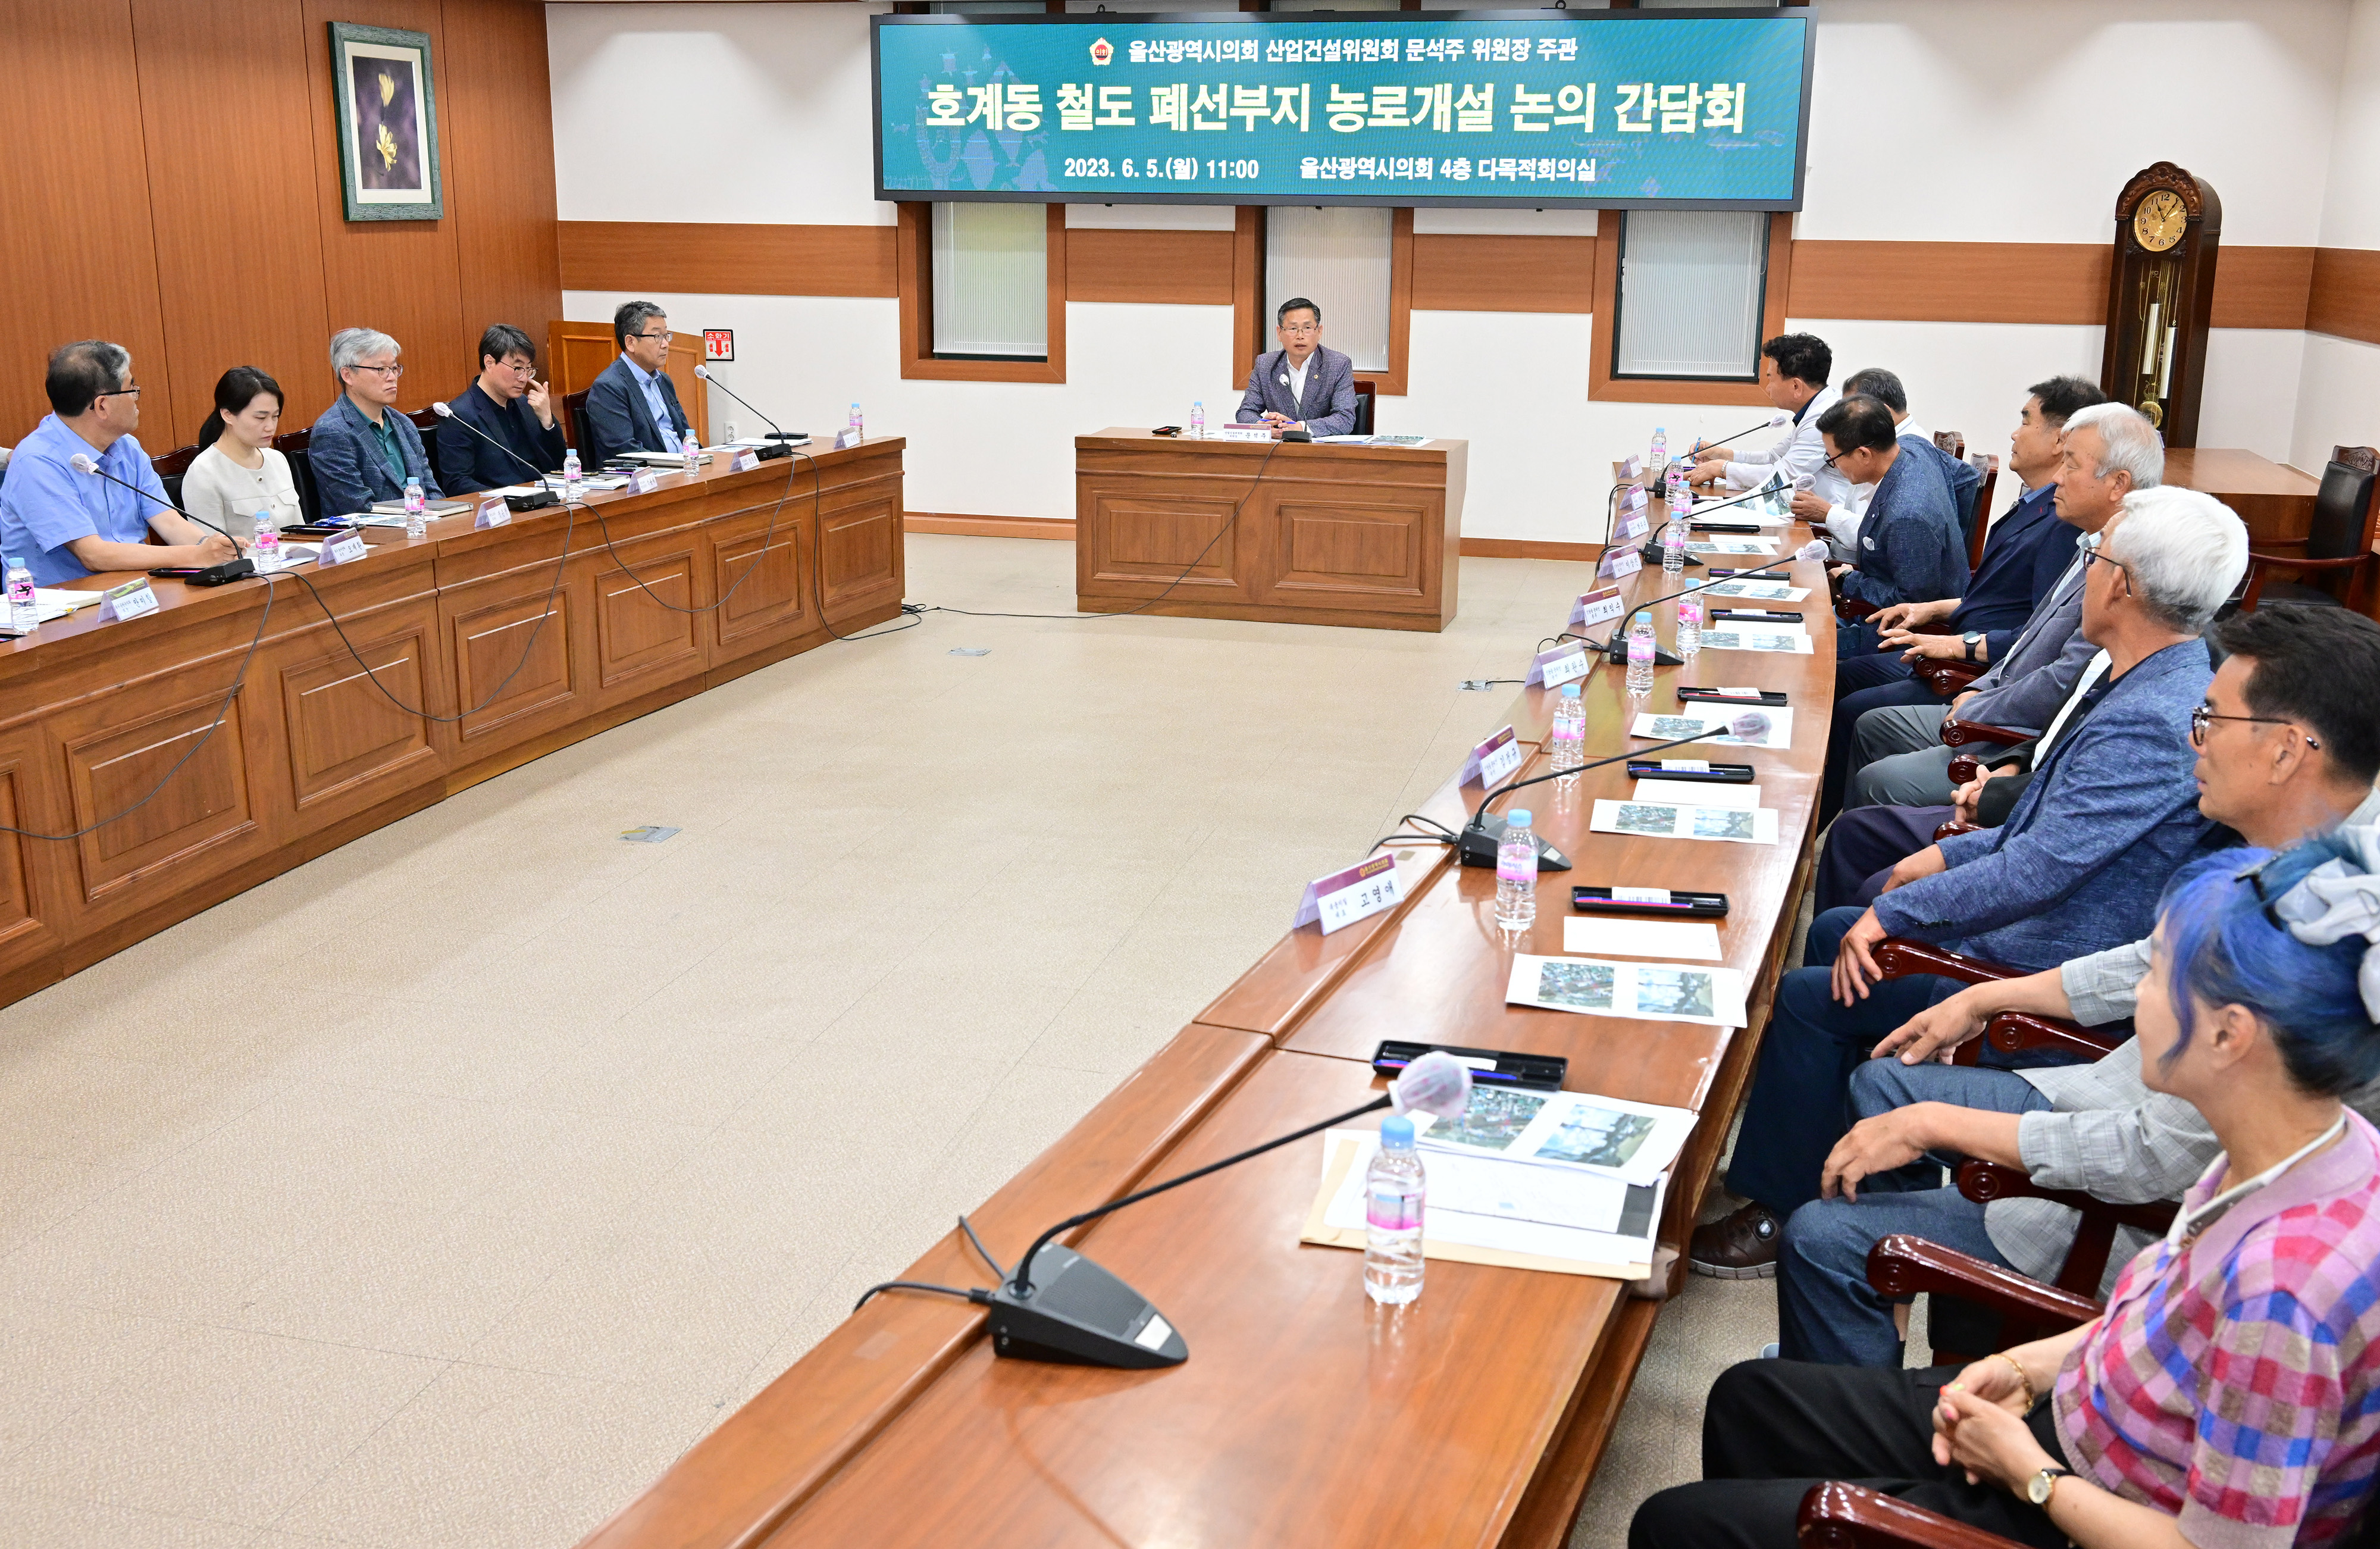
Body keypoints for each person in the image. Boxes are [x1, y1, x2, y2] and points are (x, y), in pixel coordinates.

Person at [1635, 830, 2380, 1549]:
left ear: (2231, 1035)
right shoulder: (2303, 1146)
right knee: (1751, 1400)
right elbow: (2157, 1324)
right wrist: (2027, 1366)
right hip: (2083, 1418)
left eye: (2157, 976)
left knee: (1673, 1523)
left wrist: (2029, 1472)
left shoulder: (2284, 1292)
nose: (2138, 997)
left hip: (2077, 1499)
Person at [1779, 606, 2380, 1367]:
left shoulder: (2332, 927)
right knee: (1889, 1082)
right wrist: (1985, 997)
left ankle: (1884, 1424)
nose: (2193, 738)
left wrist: (1940, 1123)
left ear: (2287, 751)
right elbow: (2144, 960)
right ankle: (1916, 1347)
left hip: (2136, 1223)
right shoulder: (2307, 849)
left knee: (1824, 1234)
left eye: (2212, 718)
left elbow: (2149, 1155)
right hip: (2118, 1101)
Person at [1692, 488, 2247, 1277]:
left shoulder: (2153, 714)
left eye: (2094, 560)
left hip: (2040, 960)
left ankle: (1791, 1206)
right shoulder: (2150, 672)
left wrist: (1899, 907)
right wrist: (1940, 861)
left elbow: (2042, 871)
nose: (2084, 573)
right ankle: (1853, 1161)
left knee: (1815, 996)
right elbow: (2040, 833)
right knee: (1832, 932)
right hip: (2047, 923)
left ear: (2122, 584)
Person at [1847, 403, 2161, 813]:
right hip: (1991, 688)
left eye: (2071, 465)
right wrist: (1979, 686)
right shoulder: (2090, 539)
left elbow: (2065, 678)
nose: (2059, 478)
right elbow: (2031, 637)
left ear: (2118, 484)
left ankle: (1873, 849)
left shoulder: (2119, 564)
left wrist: (1977, 696)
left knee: (1877, 776)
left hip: (2015, 734)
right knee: (1870, 725)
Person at [0, 340, 237, 584]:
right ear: (103, 406)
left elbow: (169, 521)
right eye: (131, 388)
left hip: (133, 591)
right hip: (62, 607)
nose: (137, 397)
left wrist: (214, 549)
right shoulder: (37, 461)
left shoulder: (128, 448)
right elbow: (93, 555)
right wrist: (195, 555)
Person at [1820, 395, 1967, 664]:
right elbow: (1967, 477)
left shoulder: (1907, 516)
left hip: (1893, 635)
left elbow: (1911, 603)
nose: (1833, 465)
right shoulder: (1914, 446)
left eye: (1833, 458)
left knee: (1810, 649)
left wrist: (1847, 579)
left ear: (1864, 454)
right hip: (1875, 603)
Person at [1796, 367, 1959, 559]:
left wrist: (1828, 514)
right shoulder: (1889, 444)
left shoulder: (1904, 453)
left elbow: (1877, 535)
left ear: (1879, 411)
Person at [1686, 333, 1850, 517]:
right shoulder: (1816, 408)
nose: (1768, 387)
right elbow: (1774, 458)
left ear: (1796, 387)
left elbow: (1785, 476)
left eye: (1771, 379)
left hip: (1823, 527)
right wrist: (1723, 455)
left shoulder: (1824, 419)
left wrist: (1722, 468)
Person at [308, 327, 442, 518]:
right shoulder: (332, 432)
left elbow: (430, 488)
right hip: (372, 540)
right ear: (348, 375)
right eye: (381, 369)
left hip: (422, 529)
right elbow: (360, 508)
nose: (392, 377)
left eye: (394, 368)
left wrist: (443, 518)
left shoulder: (404, 424)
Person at [439, 324, 566, 494]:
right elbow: (457, 483)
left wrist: (547, 421)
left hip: (546, 499)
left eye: (529, 370)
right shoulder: (459, 416)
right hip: (502, 510)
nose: (524, 379)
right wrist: (506, 498)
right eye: (518, 369)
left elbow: (560, 465)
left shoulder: (526, 404)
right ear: (489, 362)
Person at [180, 367, 303, 542]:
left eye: (275, 416)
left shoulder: (277, 459)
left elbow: (300, 533)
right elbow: (211, 551)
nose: (270, 427)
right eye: (260, 418)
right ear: (228, 415)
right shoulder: (204, 472)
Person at [584, 301, 690, 467]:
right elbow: (625, 451)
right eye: (657, 336)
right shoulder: (609, 387)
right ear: (631, 342)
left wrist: (704, 458)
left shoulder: (664, 381)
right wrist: (676, 465)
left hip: (681, 469)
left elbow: (686, 435)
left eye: (666, 335)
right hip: (646, 479)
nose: (665, 344)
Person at [1234, 297, 1357, 439]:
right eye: (1293, 329)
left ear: (1319, 332)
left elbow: (1345, 419)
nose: (1300, 336)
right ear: (1279, 333)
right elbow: (1245, 412)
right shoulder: (1265, 364)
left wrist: (1300, 427)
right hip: (1277, 452)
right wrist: (1263, 427)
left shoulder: (1338, 365)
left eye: (1307, 328)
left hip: (1320, 454)